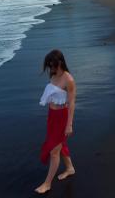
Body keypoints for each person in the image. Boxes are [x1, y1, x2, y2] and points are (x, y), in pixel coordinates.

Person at [35, 49, 77, 194]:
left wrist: (69, 124)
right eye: (49, 65)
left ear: (60, 62)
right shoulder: (53, 75)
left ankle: (47, 183)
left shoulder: (69, 79)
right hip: (52, 116)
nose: (50, 68)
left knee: (54, 151)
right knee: (59, 146)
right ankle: (70, 168)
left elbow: (71, 103)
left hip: (62, 117)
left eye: (52, 65)